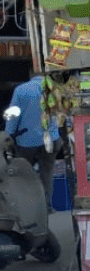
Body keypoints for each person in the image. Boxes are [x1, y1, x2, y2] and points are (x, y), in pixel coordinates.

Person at [5, 75, 57, 209]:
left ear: (30, 76)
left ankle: (28, 206)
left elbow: (13, 115)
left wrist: (8, 135)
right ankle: (46, 205)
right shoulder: (54, 89)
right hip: (51, 139)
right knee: (47, 172)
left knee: (24, 173)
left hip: (27, 141)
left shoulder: (21, 90)